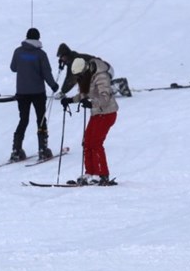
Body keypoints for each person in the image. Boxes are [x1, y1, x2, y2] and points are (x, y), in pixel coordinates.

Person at [59, 53, 118, 186]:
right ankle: (90, 172)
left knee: (96, 143)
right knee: (87, 142)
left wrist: (92, 103)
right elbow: (84, 95)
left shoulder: (101, 76)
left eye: (79, 75)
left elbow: (105, 97)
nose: (78, 78)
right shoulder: (87, 76)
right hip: (97, 113)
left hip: (107, 113)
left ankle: (102, 174)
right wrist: (70, 100)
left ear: (85, 69)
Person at [9, 28, 59, 162]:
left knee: (23, 119)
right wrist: (53, 85)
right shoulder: (40, 54)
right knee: (40, 119)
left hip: (22, 92)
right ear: (38, 38)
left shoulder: (18, 52)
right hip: (38, 92)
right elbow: (46, 72)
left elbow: (13, 68)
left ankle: (16, 150)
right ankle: (43, 150)